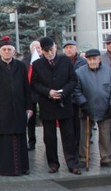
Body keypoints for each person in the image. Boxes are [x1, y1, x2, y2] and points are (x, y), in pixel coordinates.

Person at [30, 36, 80, 174]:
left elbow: (73, 80)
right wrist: (48, 92)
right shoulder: (37, 64)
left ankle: (72, 163)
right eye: (46, 51)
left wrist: (63, 92)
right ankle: (53, 164)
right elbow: (34, 83)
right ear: (42, 52)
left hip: (64, 103)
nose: (49, 53)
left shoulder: (65, 60)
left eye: (51, 49)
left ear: (55, 47)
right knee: (49, 137)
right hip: (48, 104)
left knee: (69, 136)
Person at [0, 37, 33, 176]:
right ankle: (3, 168)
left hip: (18, 109)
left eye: (9, 49)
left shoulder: (21, 66)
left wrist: (29, 107)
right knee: (2, 139)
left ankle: (21, 167)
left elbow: (26, 88)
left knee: (19, 137)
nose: (7, 52)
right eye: (4, 50)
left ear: (14, 51)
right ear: (0, 51)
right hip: (1, 110)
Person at [73, 49, 111, 168]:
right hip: (86, 108)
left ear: (99, 59)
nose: (92, 61)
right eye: (89, 59)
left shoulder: (109, 72)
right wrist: (83, 103)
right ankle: (84, 157)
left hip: (104, 108)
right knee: (85, 134)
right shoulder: (79, 72)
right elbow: (76, 90)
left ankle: (106, 158)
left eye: (94, 59)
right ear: (86, 60)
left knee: (105, 134)